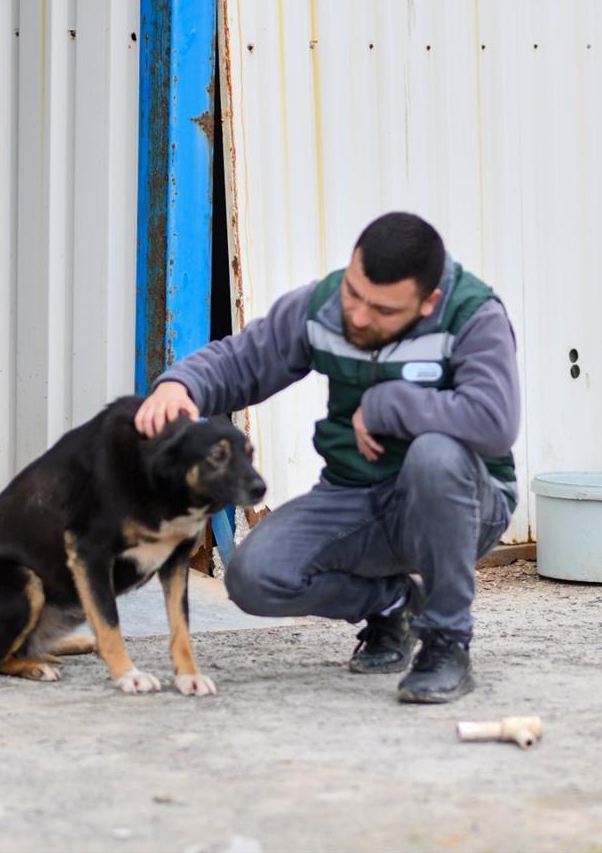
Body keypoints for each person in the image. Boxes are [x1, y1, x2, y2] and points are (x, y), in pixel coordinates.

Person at [134, 212, 520, 703]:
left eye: (381, 310)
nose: (357, 316)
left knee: (435, 455)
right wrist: (181, 383)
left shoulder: (473, 316)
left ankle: (446, 643)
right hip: (358, 497)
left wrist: (386, 404)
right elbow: (245, 360)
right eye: (354, 293)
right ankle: (394, 603)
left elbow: (494, 420)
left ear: (429, 302)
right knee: (255, 575)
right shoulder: (324, 308)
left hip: (462, 504)